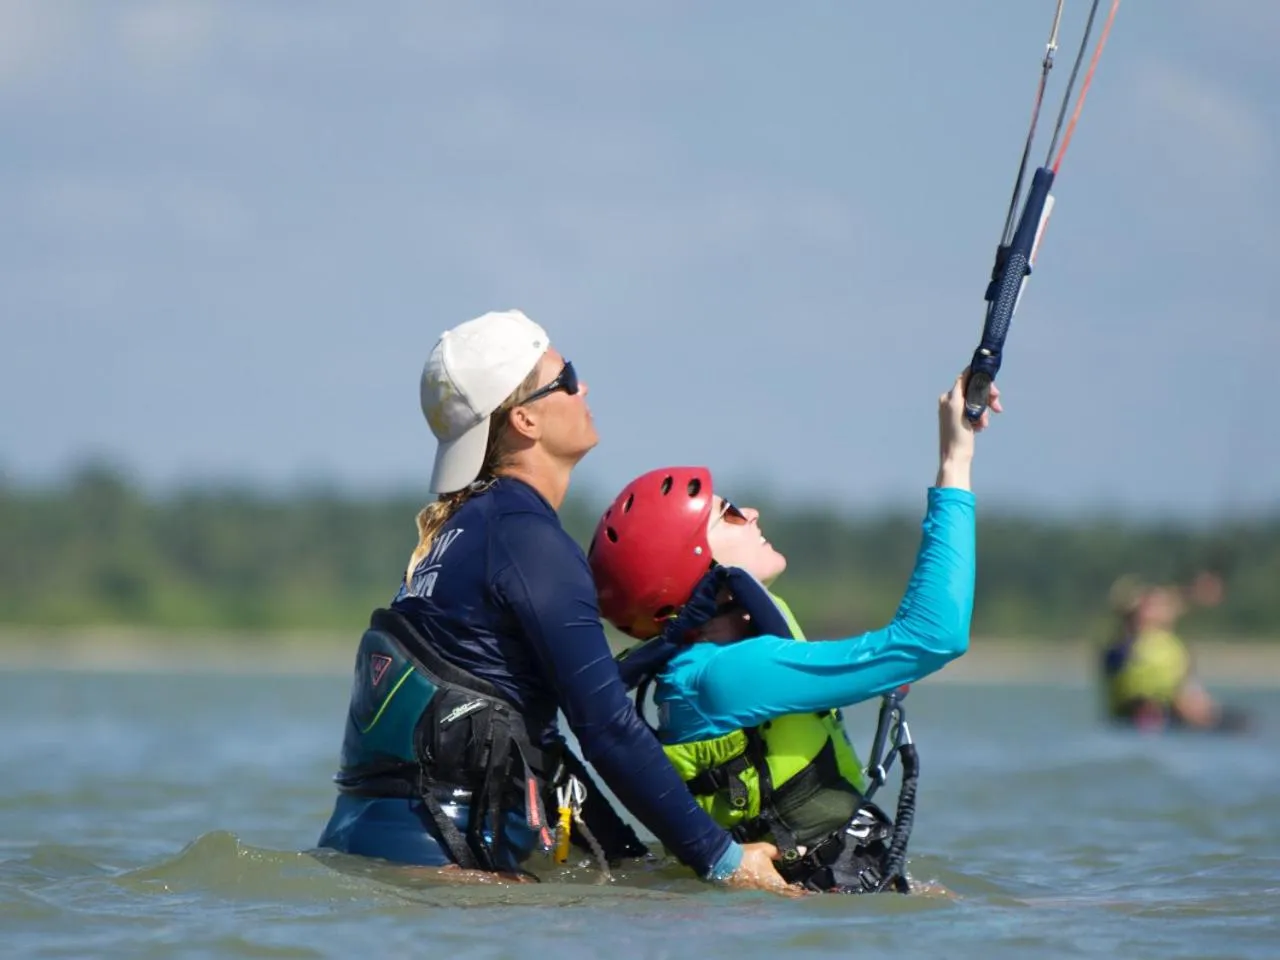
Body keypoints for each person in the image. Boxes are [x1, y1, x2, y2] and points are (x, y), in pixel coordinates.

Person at [315, 309, 788, 891]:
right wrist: (723, 861)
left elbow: (549, 732)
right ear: (525, 419)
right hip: (444, 878)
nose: (582, 388)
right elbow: (606, 728)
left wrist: (637, 862)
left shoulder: (466, 530)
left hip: (366, 852)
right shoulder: (529, 542)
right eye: (567, 378)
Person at [586, 368, 997, 893]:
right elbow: (934, 636)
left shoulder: (711, 662)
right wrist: (955, 459)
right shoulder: (727, 676)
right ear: (697, 564)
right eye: (729, 514)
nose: (751, 512)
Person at [1100, 571, 1250, 732]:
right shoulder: (1128, 647)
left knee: (1242, 722)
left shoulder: (1172, 646)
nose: (1166, 608)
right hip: (1150, 719)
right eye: (1155, 605)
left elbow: (1188, 691)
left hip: (1184, 718)